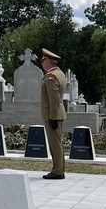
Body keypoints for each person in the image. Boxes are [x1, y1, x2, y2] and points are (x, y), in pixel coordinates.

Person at [40, 48, 67, 180]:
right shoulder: (59, 73)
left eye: (43, 61)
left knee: (55, 144)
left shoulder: (51, 76)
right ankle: (59, 169)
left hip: (52, 114)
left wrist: (53, 117)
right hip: (56, 113)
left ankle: (57, 171)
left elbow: (54, 98)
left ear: (48, 62)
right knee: (57, 143)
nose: (41, 64)